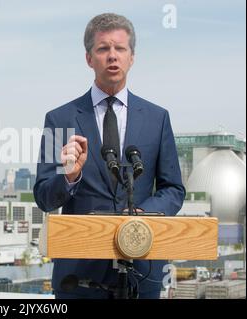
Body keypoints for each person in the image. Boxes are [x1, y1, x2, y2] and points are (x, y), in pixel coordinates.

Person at [33, 13, 185, 299]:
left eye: (120, 48)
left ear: (132, 57)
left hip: (143, 271)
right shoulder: (58, 119)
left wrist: (145, 213)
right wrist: (70, 176)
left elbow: (173, 189)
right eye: (103, 49)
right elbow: (43, 196)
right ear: (89, 58)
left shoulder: (158, 118)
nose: (112, 56)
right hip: (78, 277)